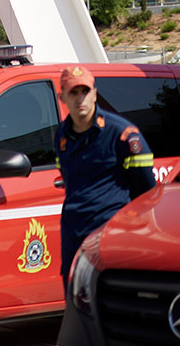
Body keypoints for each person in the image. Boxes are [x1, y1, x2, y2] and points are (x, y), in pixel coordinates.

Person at [54, 65, 155, 278]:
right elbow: (70, 180)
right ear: (62, 96)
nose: (80, 98)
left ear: (94, 94)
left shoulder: (122, 133)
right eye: (73, 92)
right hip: (73, 232)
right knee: (74, 297)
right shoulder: (61, 135)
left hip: (108, 232)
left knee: (107, 299)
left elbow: (146, 190)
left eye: (85, 91)